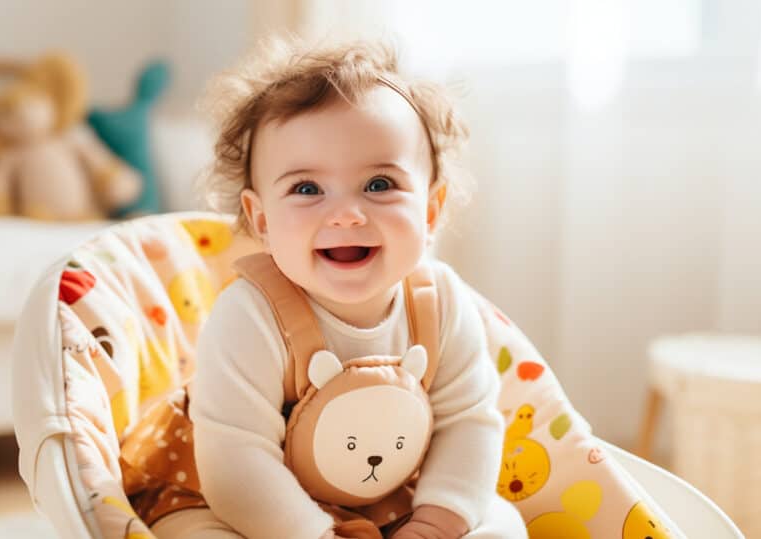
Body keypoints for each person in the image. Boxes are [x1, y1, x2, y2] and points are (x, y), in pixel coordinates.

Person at [143, 37, 527, 539]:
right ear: (261, 220)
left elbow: (468, 423)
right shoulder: (250, 315)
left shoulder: (442, 304)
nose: (346, 214)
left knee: (505, 526)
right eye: (307, 190)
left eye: (379, 184)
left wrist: (436, 522)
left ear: (430, 211)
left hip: (392, 499)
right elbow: (237, 460)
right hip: (240, 502)